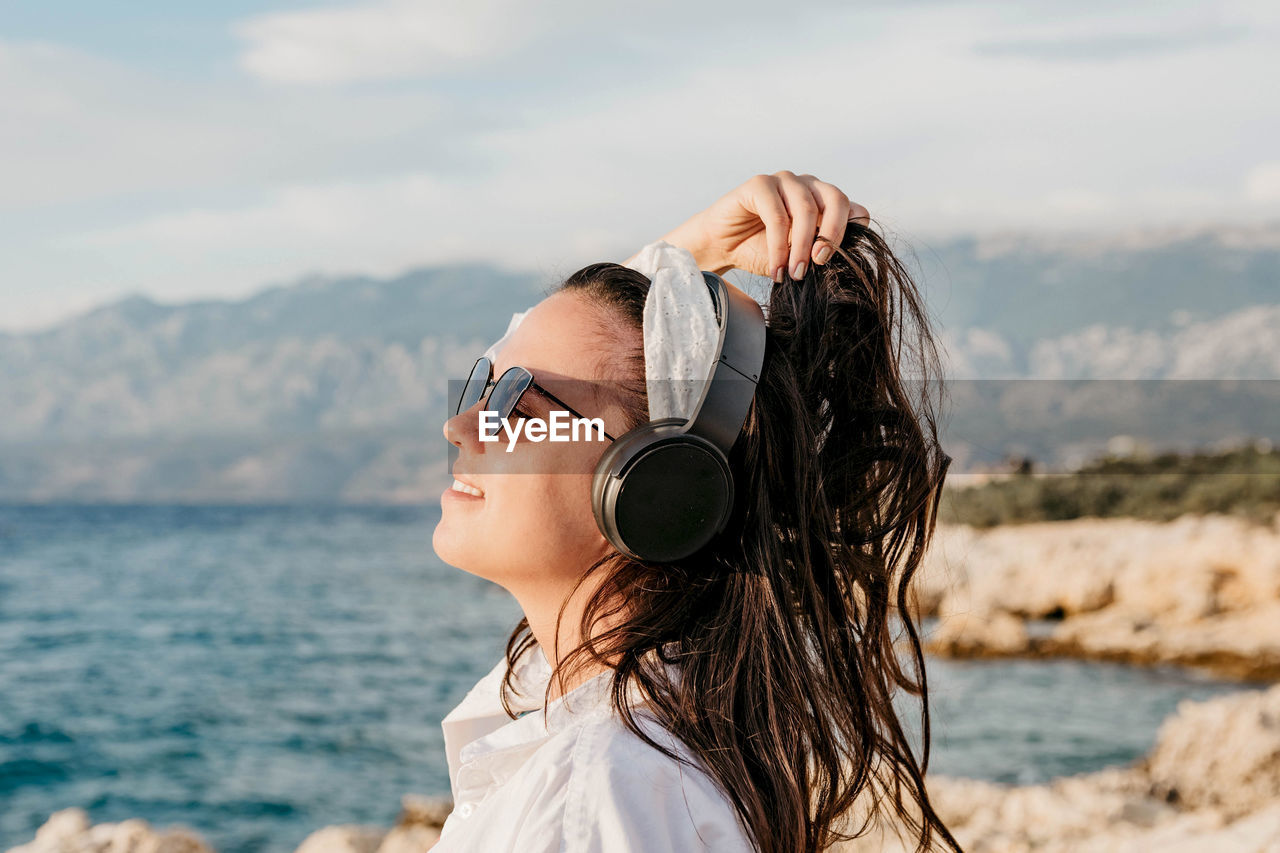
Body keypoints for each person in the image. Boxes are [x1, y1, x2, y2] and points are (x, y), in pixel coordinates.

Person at [432, 171, 960, 852]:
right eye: (482, 383)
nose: (463, 427)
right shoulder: (633, 734)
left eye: (517, 407)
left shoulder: (597, 798)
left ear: (654, 487)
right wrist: (685, 255)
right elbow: (571, 354)